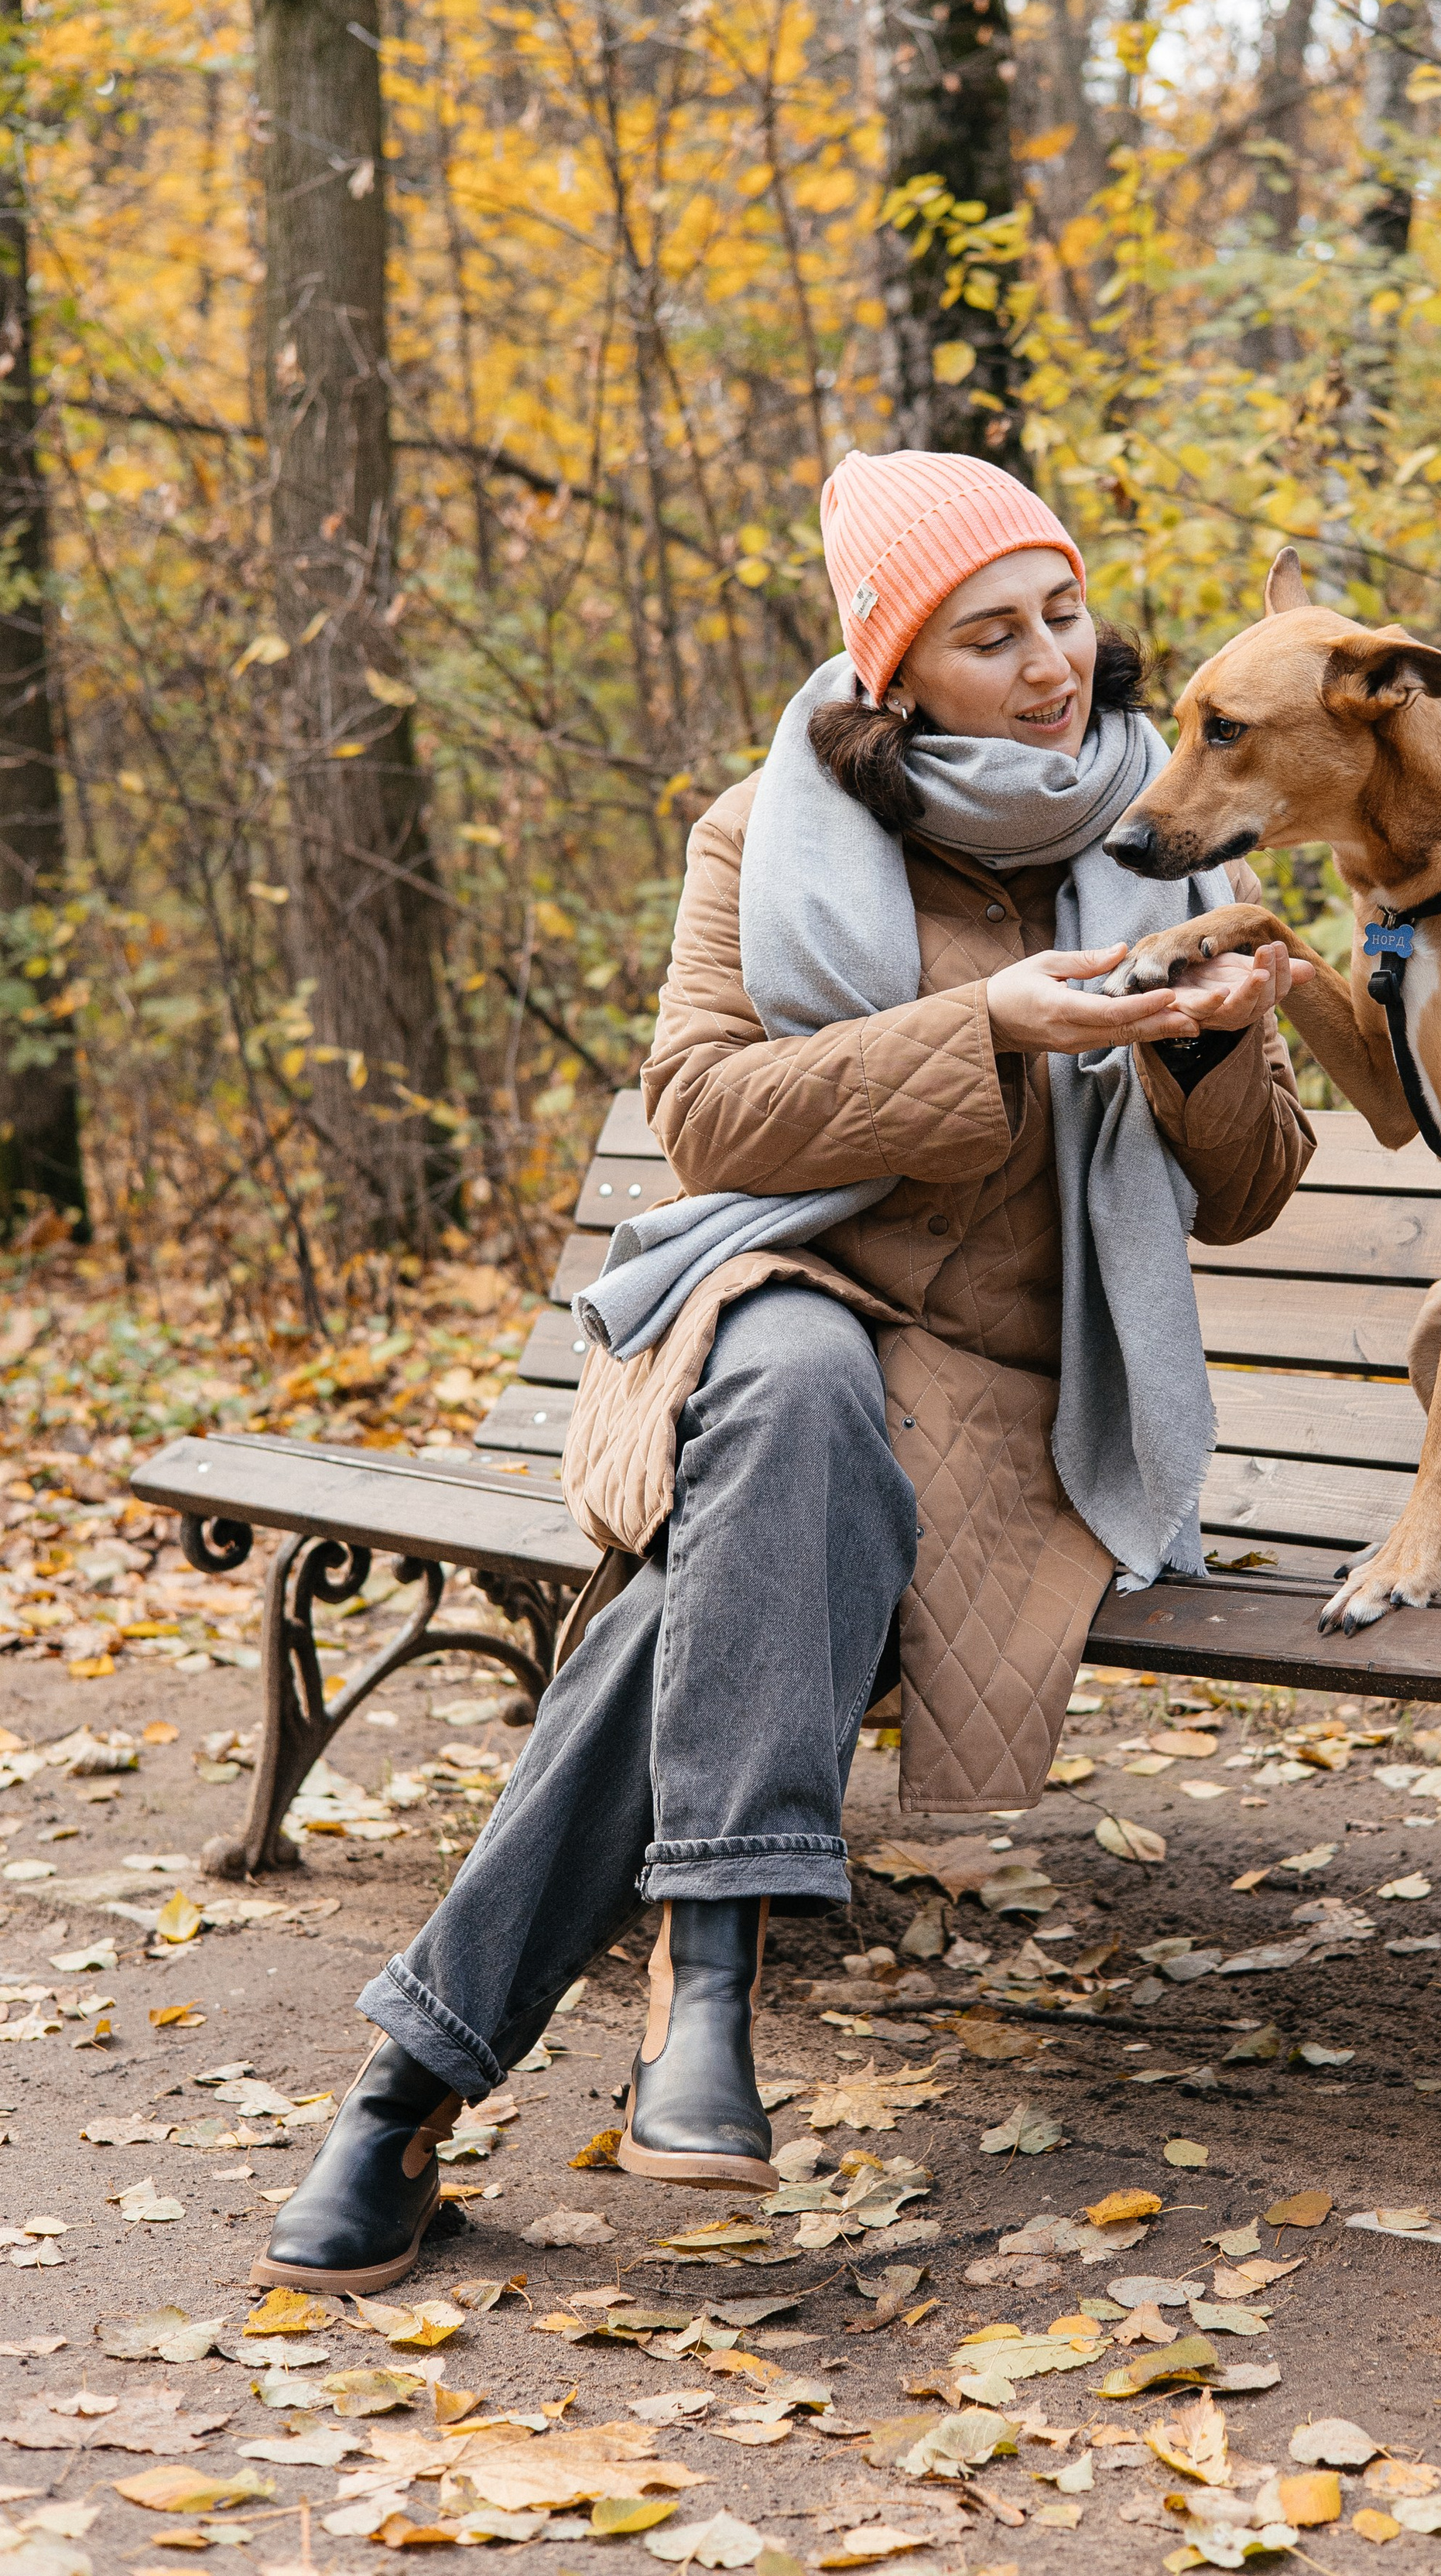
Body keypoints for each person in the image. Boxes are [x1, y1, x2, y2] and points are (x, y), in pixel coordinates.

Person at [253, 450, 1314, 2294]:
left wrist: (1207, 1051)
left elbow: (1246, 1195)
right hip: (748, 1304)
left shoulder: (1155, 826)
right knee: (803, 1380)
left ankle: (431, 2078)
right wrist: (980, 1022)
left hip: (1005, 1406)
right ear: (892, 669)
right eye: (990, 636)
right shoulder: (764, 837)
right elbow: (707, 1117)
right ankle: (704, 1980)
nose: (1053, 663)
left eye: (1061, 613)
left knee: (747, 1530)